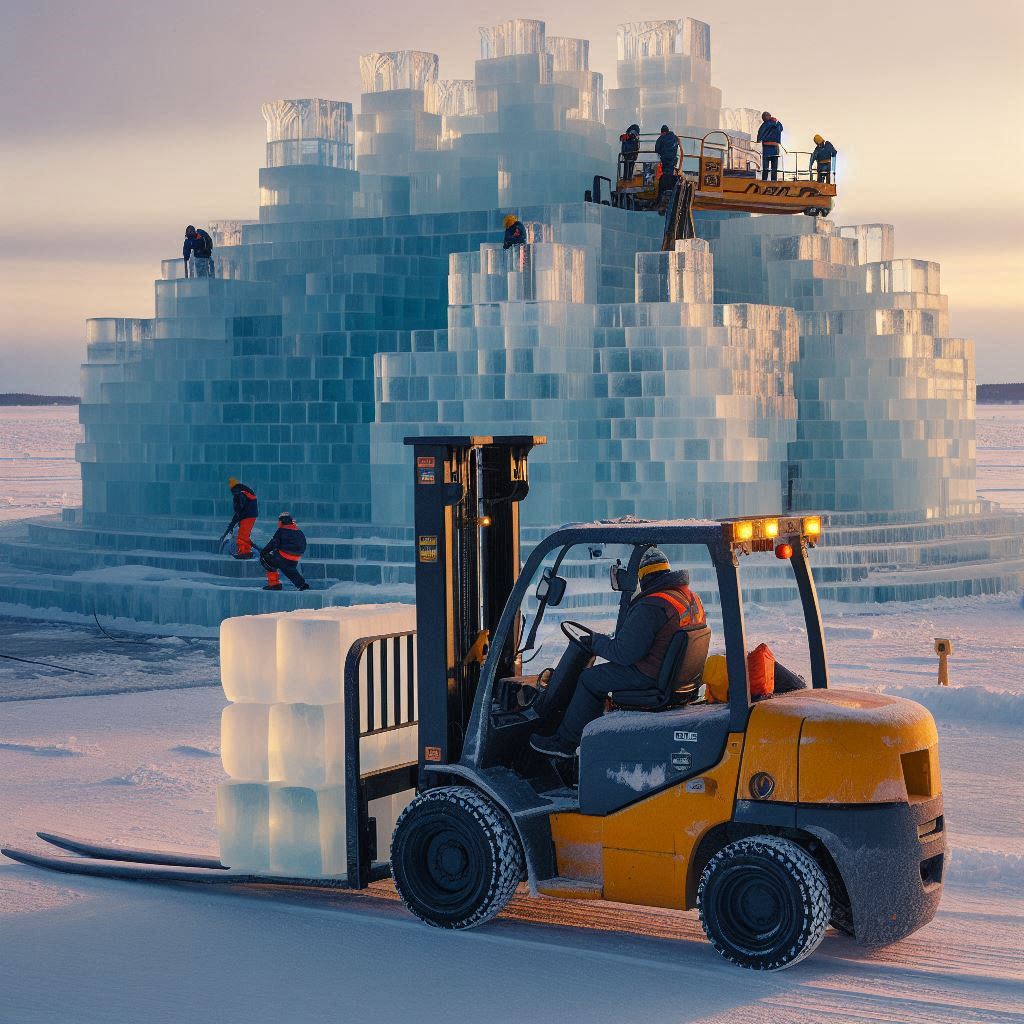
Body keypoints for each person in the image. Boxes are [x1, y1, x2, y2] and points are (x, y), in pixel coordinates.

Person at [530, 548, 705, 759]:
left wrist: (596, 642)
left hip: (650, 677)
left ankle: (566, 743)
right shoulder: (687, 597)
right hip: (673, 675)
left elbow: (623, 653)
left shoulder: (652, 604)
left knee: (590, 679)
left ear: (641, 575)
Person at [260, 513, 310, 591]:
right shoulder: (298, 531)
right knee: (290, 570)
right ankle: (302, 584)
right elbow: (303, 544)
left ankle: (274, 584)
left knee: (266, 560)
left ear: (282, 522)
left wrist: (263, 552)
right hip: (295, 558)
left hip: (284, 556)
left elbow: (273, 543)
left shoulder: (281, 530)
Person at [226, 477, 258, 559]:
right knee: (244, 535)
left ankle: (244, 553)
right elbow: (239, 512)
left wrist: (234, 522)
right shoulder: (243, 491)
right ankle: (247, 551)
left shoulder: (240, 494)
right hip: (249, 516)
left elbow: (239, 510)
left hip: (248, 516)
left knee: (241, 537)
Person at [756, 112, 784, 182]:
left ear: (766, 117)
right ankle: (773, 183)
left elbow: (760, 134)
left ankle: (764, 182)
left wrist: (758, 140)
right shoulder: (777, 123)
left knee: (766, 168)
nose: (763, 119)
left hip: (767, 148)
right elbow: (781, 129)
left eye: (763, 117)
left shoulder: (764, 124)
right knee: (774, 169)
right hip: (775, 148)